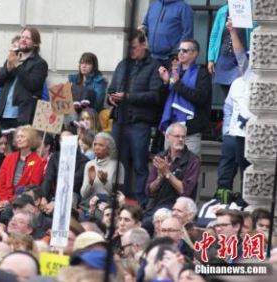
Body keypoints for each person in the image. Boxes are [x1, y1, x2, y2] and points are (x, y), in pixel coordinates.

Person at [107, 30, 165, 206]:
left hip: (140, 122)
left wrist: (128, 97)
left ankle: (141, 201)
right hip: (120, 120)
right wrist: (111, 97)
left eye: (134, 48)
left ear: (143, 44)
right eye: (129, 48)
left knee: (140, 164)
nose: (131, 51)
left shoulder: (154, 66)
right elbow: (111, 88)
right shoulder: (123, 64)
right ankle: (120, 198)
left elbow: (155, 96)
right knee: (120, 163)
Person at [215, 19, 254, 194]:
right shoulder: (246, 75)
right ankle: (242, 201)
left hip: (261, 134)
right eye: (252, 56)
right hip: (240, 132)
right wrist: (232, 32)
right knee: (242, 169)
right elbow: (239, 53)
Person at [143, 123, 200, 233]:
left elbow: (185, 191)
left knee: (149, 224)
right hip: (155, 205)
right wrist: (159, 178)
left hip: (178, 208)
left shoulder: (193, 160)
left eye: (183, 137)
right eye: (177, 136)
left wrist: (168, 174)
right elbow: (149, 191)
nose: (181, 139)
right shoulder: (160, 157)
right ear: (168, 137)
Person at [159, 39, 212, 157]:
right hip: (171, 130)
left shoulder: (202, 73)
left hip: (191, 132)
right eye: (179, 50)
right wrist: (166, 83)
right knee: (168, 168)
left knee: (190, 169)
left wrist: (177, 84)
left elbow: (200, 98)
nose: (181, 53)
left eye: (185, 50)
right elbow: (162, 101)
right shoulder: (173, 72)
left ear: (195, 53)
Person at [0, 27, 49, 128]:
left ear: (35, 43)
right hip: (5, 114)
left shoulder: (40, 63)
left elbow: (33, 85)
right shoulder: (12, 58)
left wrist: (18, 65)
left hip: (23, 115)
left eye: (27, 38)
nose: (23, 40)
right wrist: (7, 69)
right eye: (22, 37)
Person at [140, 0, 194, 66]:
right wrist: (142, 30)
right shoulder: (153, 5)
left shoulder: (184, 8)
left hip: (171, 60)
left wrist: (176, 55)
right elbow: (145, 26)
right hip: (151, 59)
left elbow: (187, 34)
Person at [207, 0, 249, 98]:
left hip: (242, 59)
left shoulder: (247, 12)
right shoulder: (222, 12)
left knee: (240, 94)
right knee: (227, 96)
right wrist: (211, 58)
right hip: (224, 58)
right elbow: (214, 35)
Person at [0, 126, 45, 210]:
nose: (19, 139)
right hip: (5, 199)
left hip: (24, 200)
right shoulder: (9, 158)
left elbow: (33, 186)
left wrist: (10, 201)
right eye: (18, 137)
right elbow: (1, 183)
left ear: (31, 139)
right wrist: (3, 200)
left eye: (22, 137)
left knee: (7, 213)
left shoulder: (37, 161)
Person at [41, 129, 89, 204]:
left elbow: (75, 182)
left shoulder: (84, 161)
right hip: (55, 193)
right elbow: (48, 178)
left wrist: (55, 201)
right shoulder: (55, 157)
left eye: (68, 139)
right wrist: (43, 197)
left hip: (73, 194)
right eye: (62, 139)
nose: (65, 142)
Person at [80, 132, 123, 202]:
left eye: (101, 145)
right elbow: (83, 195)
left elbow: (118, 196)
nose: (96, 147)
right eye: (95, 144)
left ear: (109, 148)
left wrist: (105, 182)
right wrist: (90, 182)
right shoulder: (89, 165)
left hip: (108, 205)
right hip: (90, 205)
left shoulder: (118, 166)